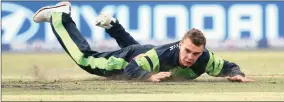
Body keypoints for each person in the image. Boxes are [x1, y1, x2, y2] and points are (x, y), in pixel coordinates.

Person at [33, 1, 254, 82]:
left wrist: (237, 74)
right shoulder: (162, 55)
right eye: (187, 50)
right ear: (181, 43)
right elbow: (131, 68)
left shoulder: (204, 57)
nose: (190, 57)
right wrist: (148, 76)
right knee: (86, 59)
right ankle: (60, 16)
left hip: (143, 52)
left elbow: (226, 66)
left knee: (138, 49)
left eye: (196, 54)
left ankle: (113, 26)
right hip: (131, 61)